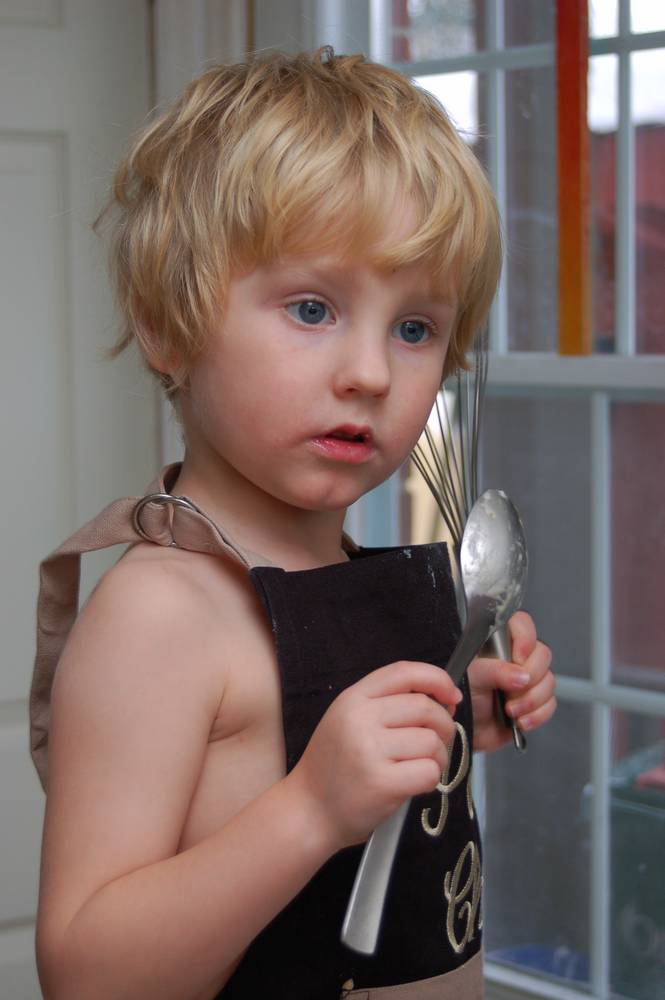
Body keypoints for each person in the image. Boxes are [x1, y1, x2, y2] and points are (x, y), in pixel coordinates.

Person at [31, 47, 555, 1000]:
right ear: (166, 323)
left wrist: (454, 714)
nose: (371, 372)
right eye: (312, 308)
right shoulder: (160, 616)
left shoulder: (355, 576)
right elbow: (88, 976)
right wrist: (310, 811)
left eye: (415, 328)